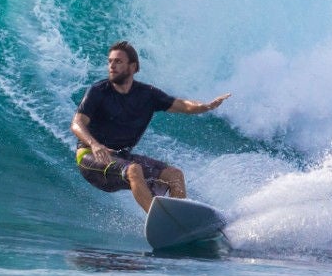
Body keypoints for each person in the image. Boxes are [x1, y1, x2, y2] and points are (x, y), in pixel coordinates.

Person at [71, 41, 229, 213]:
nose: (112, 66)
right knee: (134, 169)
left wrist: (205, 106)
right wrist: (94, 144)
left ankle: (179, 221)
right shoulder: (98, 91)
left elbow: (182, 104)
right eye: (110, 61)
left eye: (118, 61)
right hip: (90, 157)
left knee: (174, 176)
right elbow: (77, 123)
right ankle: (162, 219)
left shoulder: (147, 94)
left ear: (133, 67)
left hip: (121, 157)